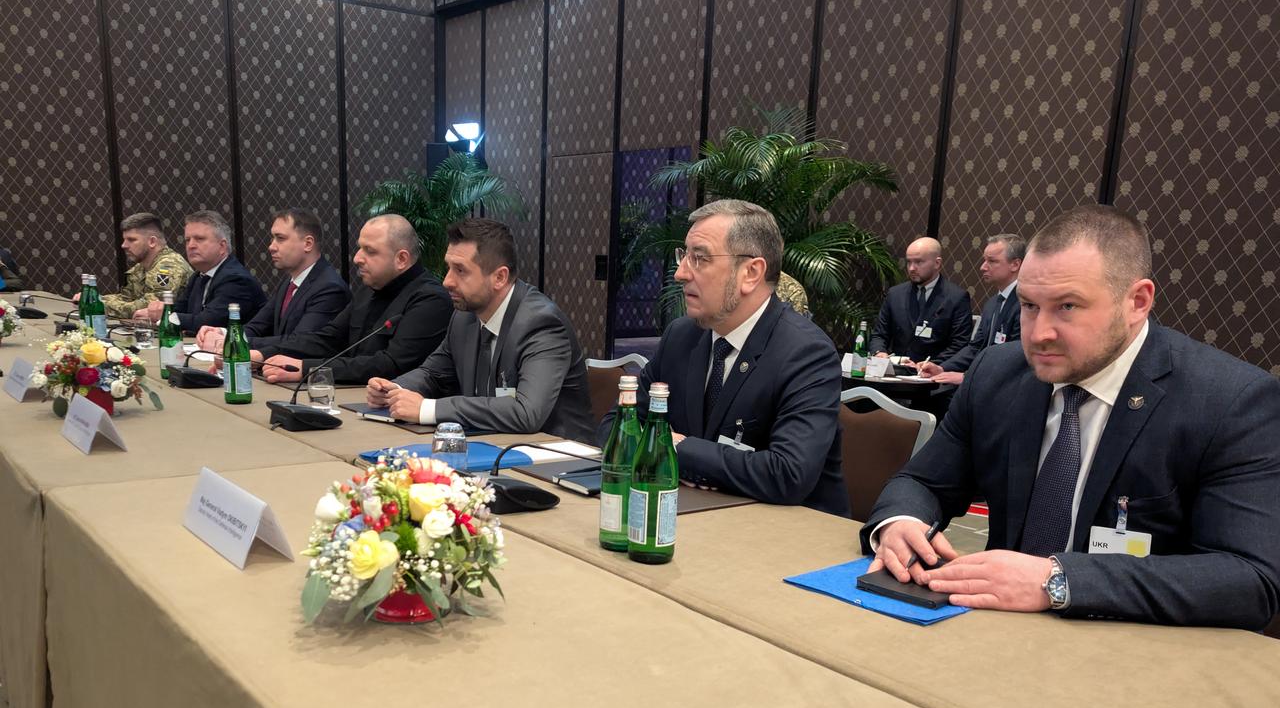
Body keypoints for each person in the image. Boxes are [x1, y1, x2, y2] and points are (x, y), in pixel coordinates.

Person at [862, 204, 1280, 630]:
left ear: (1137, 302)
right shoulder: (997, 374)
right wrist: (902, 522)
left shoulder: (1230, 402)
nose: (1039, 333)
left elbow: (1249, 580)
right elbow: (923, 481)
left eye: (1067, 307)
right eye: (1028, 306)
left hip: (1138, 653)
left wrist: (1057, 580)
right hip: (994, 634)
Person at [598, 199, 848, 517]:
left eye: (699, 258)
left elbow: (787, 474)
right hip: (693, 515)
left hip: (789, 538)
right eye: (683, 255)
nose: (680, 273)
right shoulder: (681, 336)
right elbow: (614, 427)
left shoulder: (806, 354)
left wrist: (677, 448)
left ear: (751, 273)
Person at [367, 218, 595, 442]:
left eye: (460, 270)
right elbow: (433, 373)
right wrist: (394, 390)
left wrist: (428, 408)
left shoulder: (541, 324)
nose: (447, 281)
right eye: (449, 268)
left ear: (499, 277)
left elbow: (526, 413)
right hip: (492, 445)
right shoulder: (464, 317)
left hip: (558, 459)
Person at [251, 214, 452, 386]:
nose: (356, 258)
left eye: (370, 251)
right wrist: (263, 354)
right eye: (359, 248)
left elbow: (390, 365)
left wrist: (307, 368)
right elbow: (327, 340)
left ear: (401, 259)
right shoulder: (370, 289)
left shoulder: (430, 299)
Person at [195, 208, 348, 352]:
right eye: (273, 238)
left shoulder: (329, 288)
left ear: (307, 244)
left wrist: (234, 341)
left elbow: (299, 343)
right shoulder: (289, 282)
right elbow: (258, 326)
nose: (271, 247)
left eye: (280, 239)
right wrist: (225, 333)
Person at [918, 234, 1024, 387]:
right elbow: (976, 347)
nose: (982, 267)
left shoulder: (1026, 304)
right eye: (984, 260)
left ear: (1015, 264)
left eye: (992, 261)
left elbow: (1015, 357)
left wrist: (967, 377)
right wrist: (942, 368)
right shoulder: (993, 303)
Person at [137, 210, 264, 331]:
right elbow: (181, 310)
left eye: (199, 239)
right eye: (188, 240)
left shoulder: (236, 279)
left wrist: (165, 316)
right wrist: (156, 311)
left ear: (222, 246)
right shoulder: (199, 275)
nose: (191, 245)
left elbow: (208, 321)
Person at [869, 237, 973, 364]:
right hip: (895, 371)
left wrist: (931, 365)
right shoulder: (895, 294)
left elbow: (959, 344)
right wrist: (879, 353)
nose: (912, 268)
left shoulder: (956, 297)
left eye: (918, 262)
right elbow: (879, 335)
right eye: (909, 262)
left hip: (932, 375)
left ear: (937, 263)